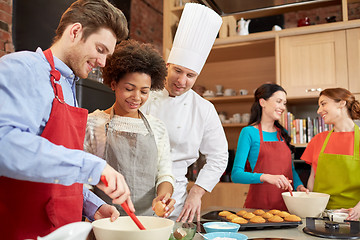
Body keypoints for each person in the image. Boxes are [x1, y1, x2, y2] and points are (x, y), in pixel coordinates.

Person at [0, 0, 134, 239]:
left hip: (62, 230)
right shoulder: (22, 68)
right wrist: (94, 167)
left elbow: (52, 169)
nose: (103, 63)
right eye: (100, 49)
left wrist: (92, 205)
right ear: (75, 32)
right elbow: (5, 145)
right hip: (23, 230)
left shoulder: (68, 86)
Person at [141, 3, 228, 223]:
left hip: (175, 197)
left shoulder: (204, 109)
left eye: (190, 75)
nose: (182, 81)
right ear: (167, 65)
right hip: (135, 188)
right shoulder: (143, 95)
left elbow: (219, 157)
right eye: (178, 71)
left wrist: (196, 192)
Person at [84, 39, 175, 217]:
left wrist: (164, 196)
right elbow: (85, 179)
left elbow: (164, 173)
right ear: (113, 84)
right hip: (105, 221)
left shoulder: (157, 127)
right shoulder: (93, 123)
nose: (136, 97)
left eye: (144, 91)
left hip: (147, 223)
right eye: (129, 88)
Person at [231, 83, 308, 211]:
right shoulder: (249, 132)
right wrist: (266, 177)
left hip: (287, 207)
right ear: (262, 102)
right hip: (259, 208)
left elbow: (290, 169)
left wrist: (299, 185)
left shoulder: (282, 134)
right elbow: (236, 175)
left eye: (284, 103)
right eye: (278, 101)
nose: (282, 107)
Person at [301, 88, 360, 220]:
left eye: (323, 104)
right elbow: (312, 178)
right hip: (320, 215)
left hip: (353, 216)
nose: (319, 110)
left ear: (341, 103)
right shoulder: (318, 140)